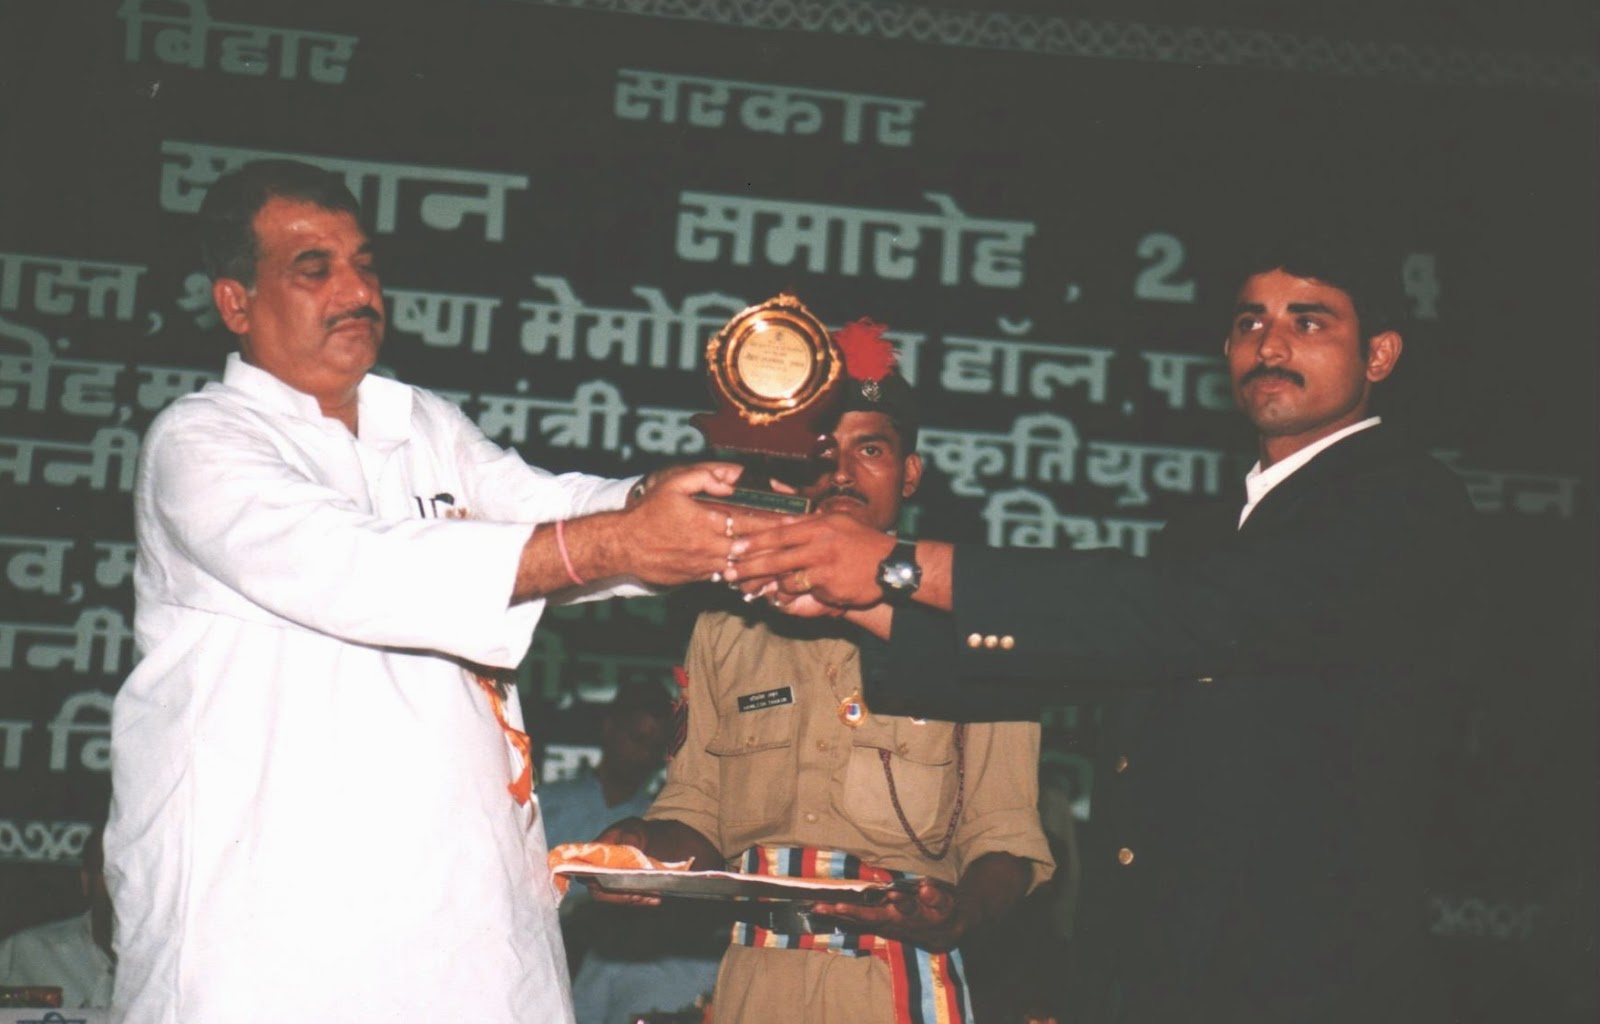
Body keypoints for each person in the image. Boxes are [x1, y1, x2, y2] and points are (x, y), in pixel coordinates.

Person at [729, 242, 1481, 1024]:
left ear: (1379, 355)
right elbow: (1079, 665)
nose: (1270, 346)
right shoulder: (1205, 531)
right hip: (1152, 974)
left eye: (1310, 322)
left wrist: (896, 567)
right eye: (1250, 322)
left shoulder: (1409, 503)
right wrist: (839, 597)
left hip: (1307, 981)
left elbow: (1190, 613)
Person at [104, 159, 756, 1024]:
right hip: (273, 921)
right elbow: (360, 568)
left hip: (459, 915)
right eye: (314, 269)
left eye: (365, 265)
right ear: (236, 303)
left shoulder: (416, 420)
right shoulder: (200, 441)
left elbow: (543, 506)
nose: (356, 291)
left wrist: (683, 506)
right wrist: (621, 538)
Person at [595, 320, 1054, 1024]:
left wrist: (958, 911)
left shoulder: (975, 630)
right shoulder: (727, 628)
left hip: (896, 979)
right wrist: (640, 847)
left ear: (909, 473)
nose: (841, 473)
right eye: (820, 450)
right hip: (754, 979)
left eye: (869, 449)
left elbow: (1007, 840)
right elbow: (697, 814)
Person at [538, 681, 722, 1024]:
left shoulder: (660, 827)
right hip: (540, 957)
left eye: (655, 746)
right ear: (610, 728)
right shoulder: (547, 805)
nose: (643, 755)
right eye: (637, 739)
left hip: (613, 963)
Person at [0, 826, 115, 1009]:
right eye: (110, 871)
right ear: (86, 880)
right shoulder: (23, 950)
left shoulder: (163, 965)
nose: (123, 886)